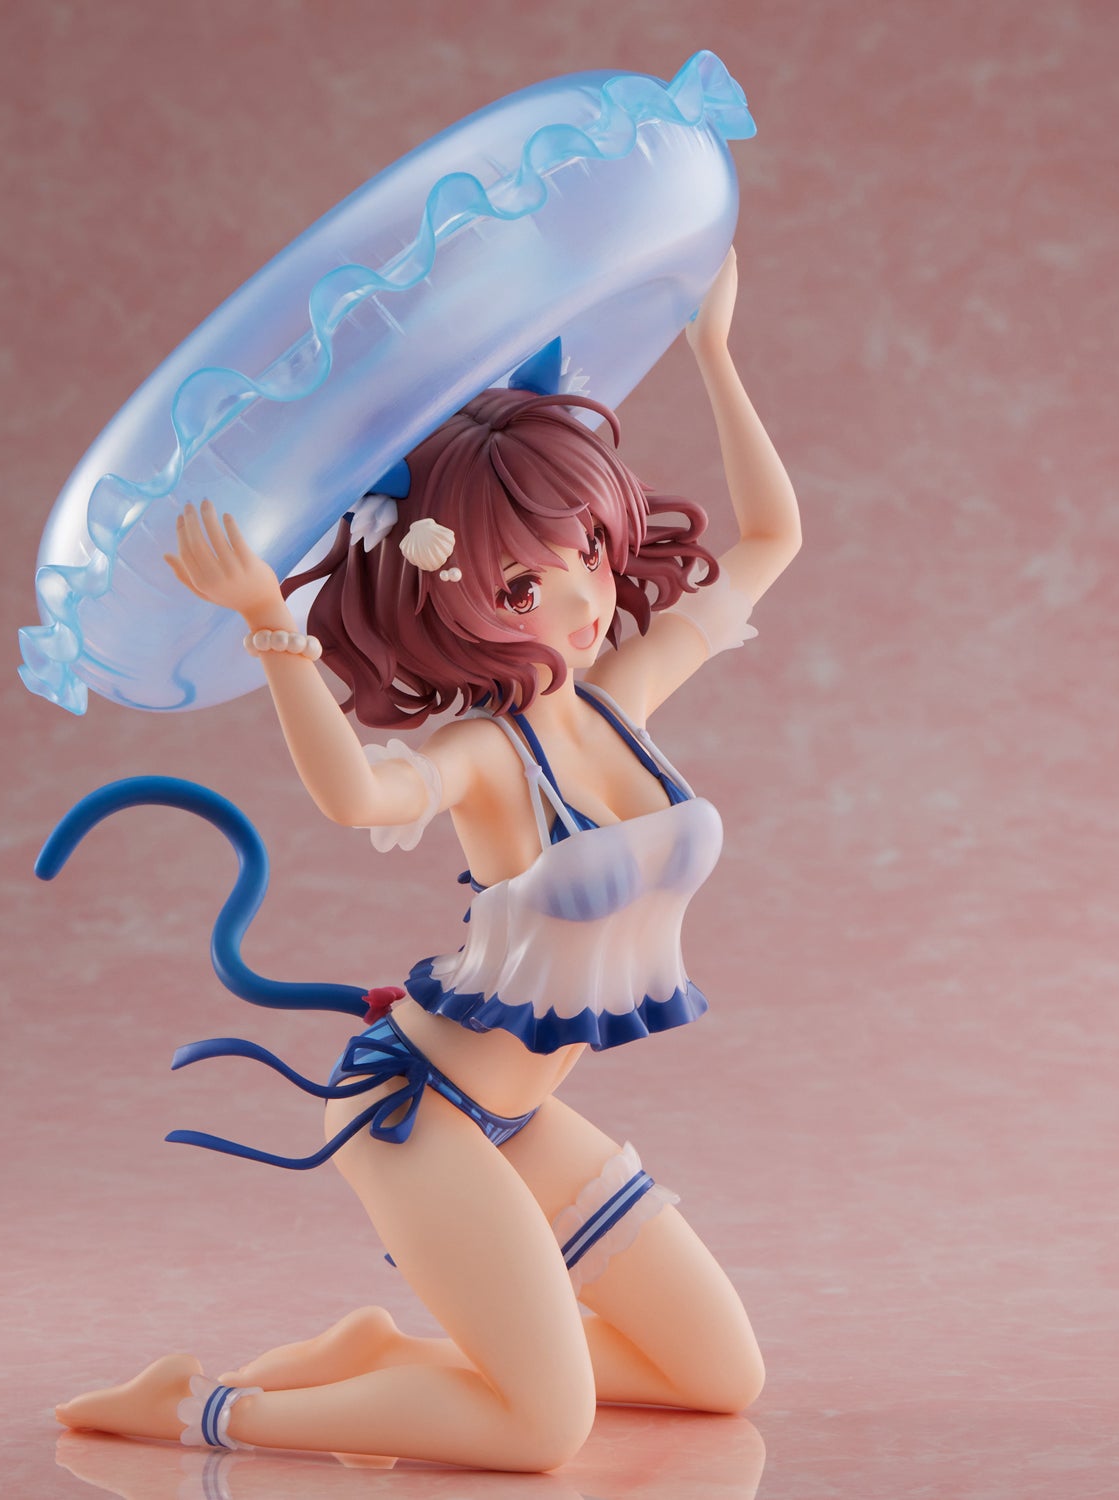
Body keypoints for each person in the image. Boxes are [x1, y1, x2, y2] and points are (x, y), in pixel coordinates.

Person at [54, 250, 801, 1472]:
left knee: (721, 1378)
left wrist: (713, 350)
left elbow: (773, 535)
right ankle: (196, 1410)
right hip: (415, 1110)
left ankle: (387, 1354)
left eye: (587, 550)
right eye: (524, 582)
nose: (581, 598)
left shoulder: (622, 698)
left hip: (522, 1113)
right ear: (449, 594)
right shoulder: (487, 756)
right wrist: (269, 623)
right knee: (543, 1431)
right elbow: (356, 795)